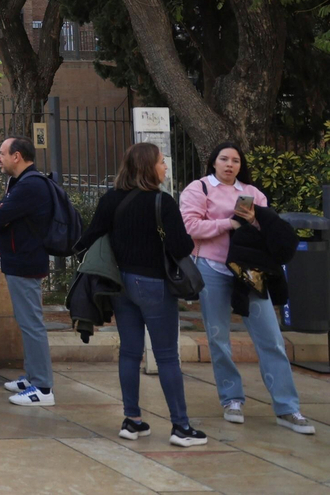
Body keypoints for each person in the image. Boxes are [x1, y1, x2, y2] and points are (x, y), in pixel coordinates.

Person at [180, 142, 316, 435]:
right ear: (213, 162)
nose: (230, 164)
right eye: (224, 159)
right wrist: (228, 223)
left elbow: (270, 230)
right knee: (218, 339)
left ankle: (287, 408)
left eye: (235, 160)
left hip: (250, 271)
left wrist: (254, 220)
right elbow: (190, 227)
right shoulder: (198, 189)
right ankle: (231, 400)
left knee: (271, 338)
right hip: (212, 268)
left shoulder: (253, 194)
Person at [79, 143, 208, 446]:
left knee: (130, 352)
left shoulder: (110, 199)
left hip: (120, 285)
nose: (165, 168)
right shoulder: (162, 202)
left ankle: (132, 420)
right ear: (148, 167)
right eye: (162, 162)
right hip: (154, 285)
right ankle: (180, 426)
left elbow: (91, 235)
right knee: (166, 357)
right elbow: (181, 248)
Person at [0, 135, 56, 406]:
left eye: (3, 153)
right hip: (21, 260)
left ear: (17, 156)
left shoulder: (30, 186)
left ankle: (43, 388)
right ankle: (32, 375)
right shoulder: (21, 183)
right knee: (26, 322)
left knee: (31, 323)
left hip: (26, 261)